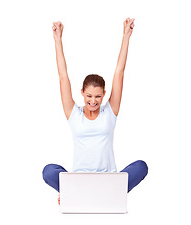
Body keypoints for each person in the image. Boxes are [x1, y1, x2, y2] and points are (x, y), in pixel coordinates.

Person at [42, 18, 148, 205]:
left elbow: (119, 73)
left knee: (141, 166)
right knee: (49, 171)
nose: (93, 101)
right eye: (89, 96)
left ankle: (104, 193)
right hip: (79, 181)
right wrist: (57, 39)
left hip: (109, 180)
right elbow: (63, 76)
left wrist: (126, 37)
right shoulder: (74, 114)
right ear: (82, 93)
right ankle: (76, 191)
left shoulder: (110, 112)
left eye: (98, 97)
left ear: (104, 94)